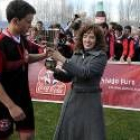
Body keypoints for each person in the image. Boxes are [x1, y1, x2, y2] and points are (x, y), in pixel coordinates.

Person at [47, 24, 107, 140]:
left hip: (90, 101)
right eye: (85, 36)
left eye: (91, 37)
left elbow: (84, 73)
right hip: (73, 99)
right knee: (69, 133)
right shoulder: (77, 53)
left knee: (90, 134)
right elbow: (69, 77)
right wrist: (54, 70)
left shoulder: (101, 56)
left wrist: (61, 58)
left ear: (97, 40)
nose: (87, 40)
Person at [0, 0, 48, 140]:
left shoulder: (21, 39)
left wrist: (44, 55)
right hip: (4, 103)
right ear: (16, 21)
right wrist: (11, 106)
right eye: (28, 21)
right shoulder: (1, 44)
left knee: (28, 137)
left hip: (24, 98)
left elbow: (26, 58)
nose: (31, 25)